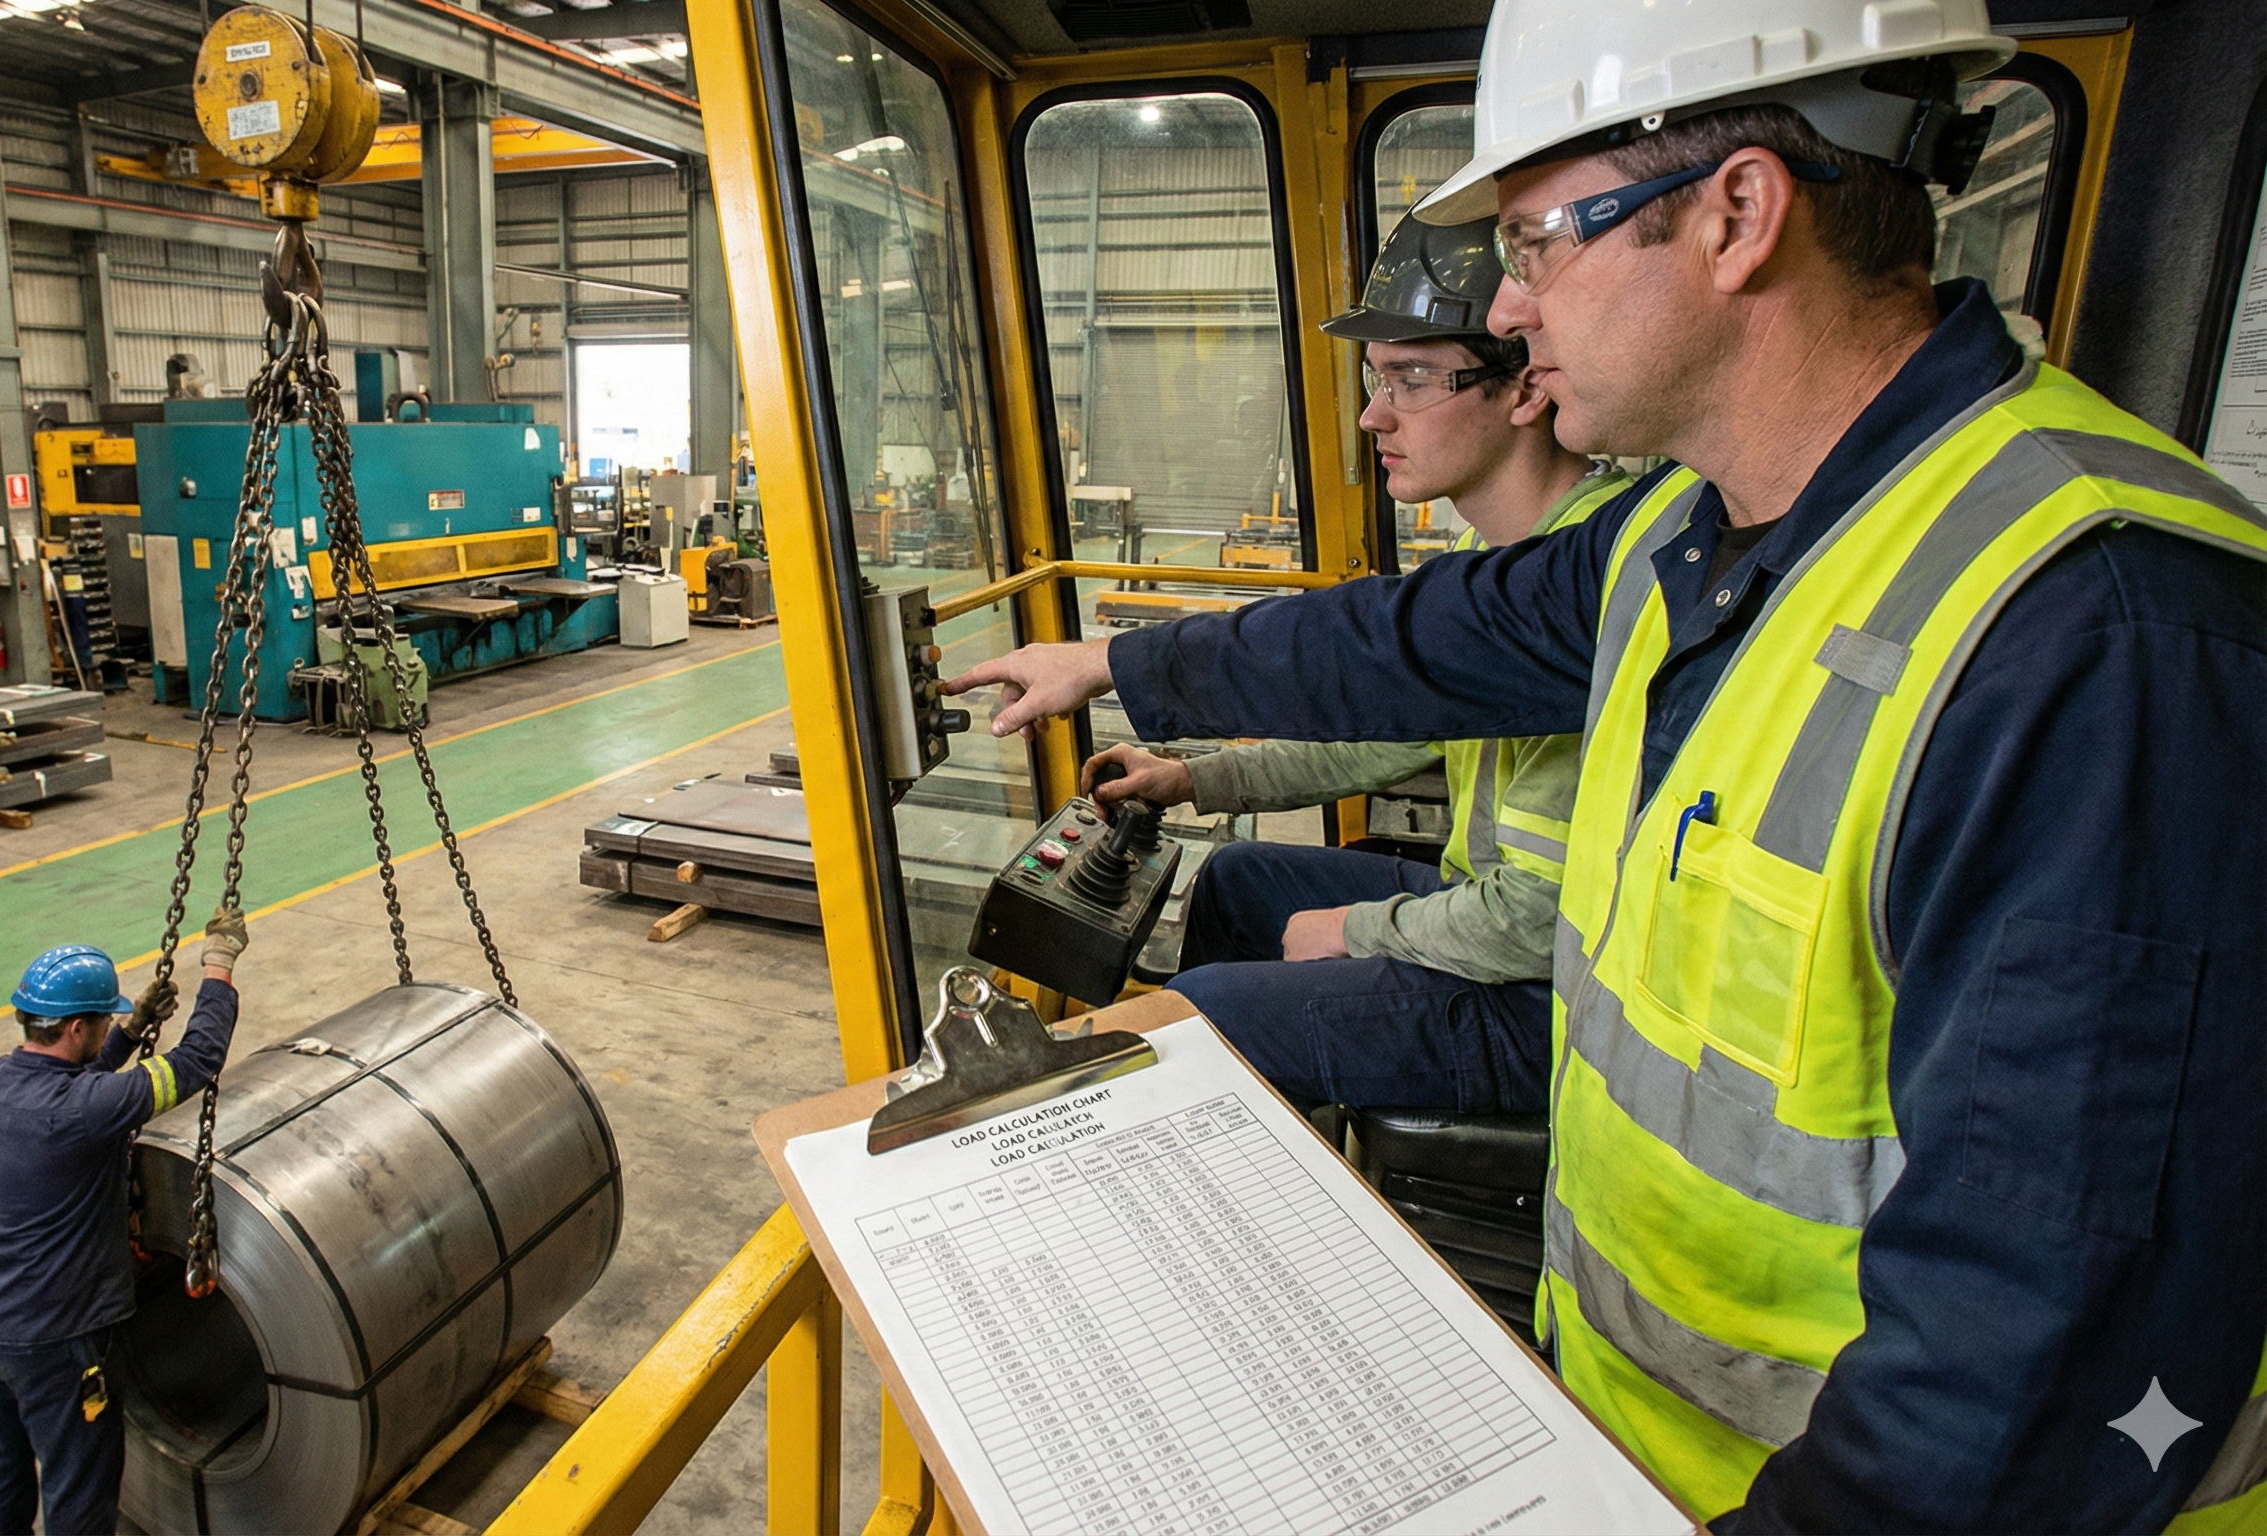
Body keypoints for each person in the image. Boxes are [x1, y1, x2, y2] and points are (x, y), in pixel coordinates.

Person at [944, 0, 2267, 1527]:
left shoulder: (2106, 643)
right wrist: (1120, 665)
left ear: (1736, 214)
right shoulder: (1684, 536)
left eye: (1532, 245)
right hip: (1631, 1432)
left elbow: (2036, 1356)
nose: (1509, 317)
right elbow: (1405, 646)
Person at [1082, 212, 1627, 1115]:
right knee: (1239, 877)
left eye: (1412, 380)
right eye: (1376, 382)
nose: (1375, 417)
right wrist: (1191, 777)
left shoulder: (1570, 593)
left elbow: (1545, 920)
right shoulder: (1499, 570)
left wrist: (1356, 929)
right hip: (1494, 911)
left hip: (1556, 999)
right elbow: (1376, 744)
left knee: (1206, 1019)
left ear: (1526, 388)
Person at [0, 909, 247, 1536]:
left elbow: (72, 1083)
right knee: (79, 1484)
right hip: (56, 1341)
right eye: (105, 1022)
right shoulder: (87, 1110)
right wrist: (218, 966)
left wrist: (130, 1032)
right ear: (77, 1027)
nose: (111, 1027)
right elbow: (197, 1060)